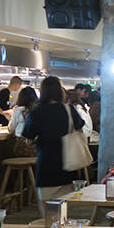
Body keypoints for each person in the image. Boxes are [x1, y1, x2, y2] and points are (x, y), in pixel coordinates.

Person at [22, 76, 85, 216]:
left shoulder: (36, 113)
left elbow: (28, 141)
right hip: (68, 165)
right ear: (59, 92)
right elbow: (80, 132)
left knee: (48, 212)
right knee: (65, 209)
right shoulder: (69, 110)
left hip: (46, 166)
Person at [7, 86, 38, 157]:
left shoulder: (18, 110)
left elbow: (11, 129)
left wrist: (11, 117)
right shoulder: (38, 110)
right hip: (36, 149)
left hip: (22, 148)